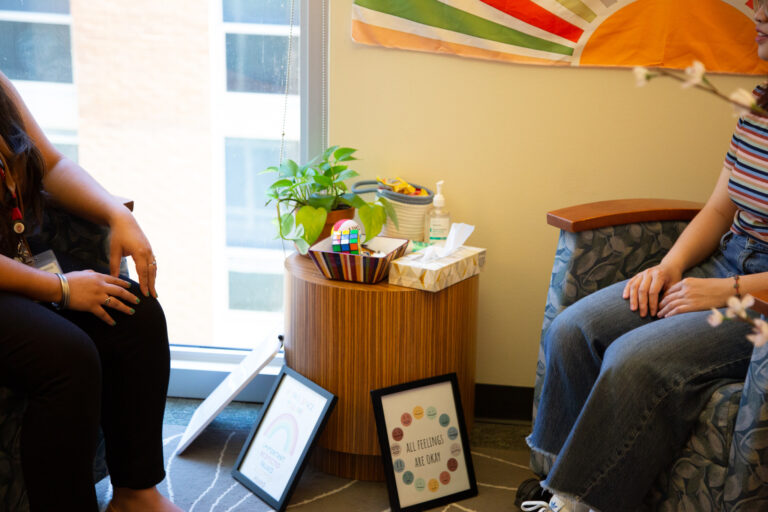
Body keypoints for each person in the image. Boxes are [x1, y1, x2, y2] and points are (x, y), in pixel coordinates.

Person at [520, 3, 768, 512]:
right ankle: (550, 483)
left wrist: (728, 292)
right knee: (575, 328)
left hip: (758, 300)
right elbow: (721, 209)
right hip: (726, 264)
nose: (758, 12)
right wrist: (671, 266)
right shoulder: (759, 103)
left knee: (634, 361)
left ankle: (578, 503)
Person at [0, 70, 182, 511]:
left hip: (22, 265)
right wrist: (60, 289)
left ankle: (136, 494)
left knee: (134, 315)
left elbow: (54, 166)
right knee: (67, 357)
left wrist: (120, 217)